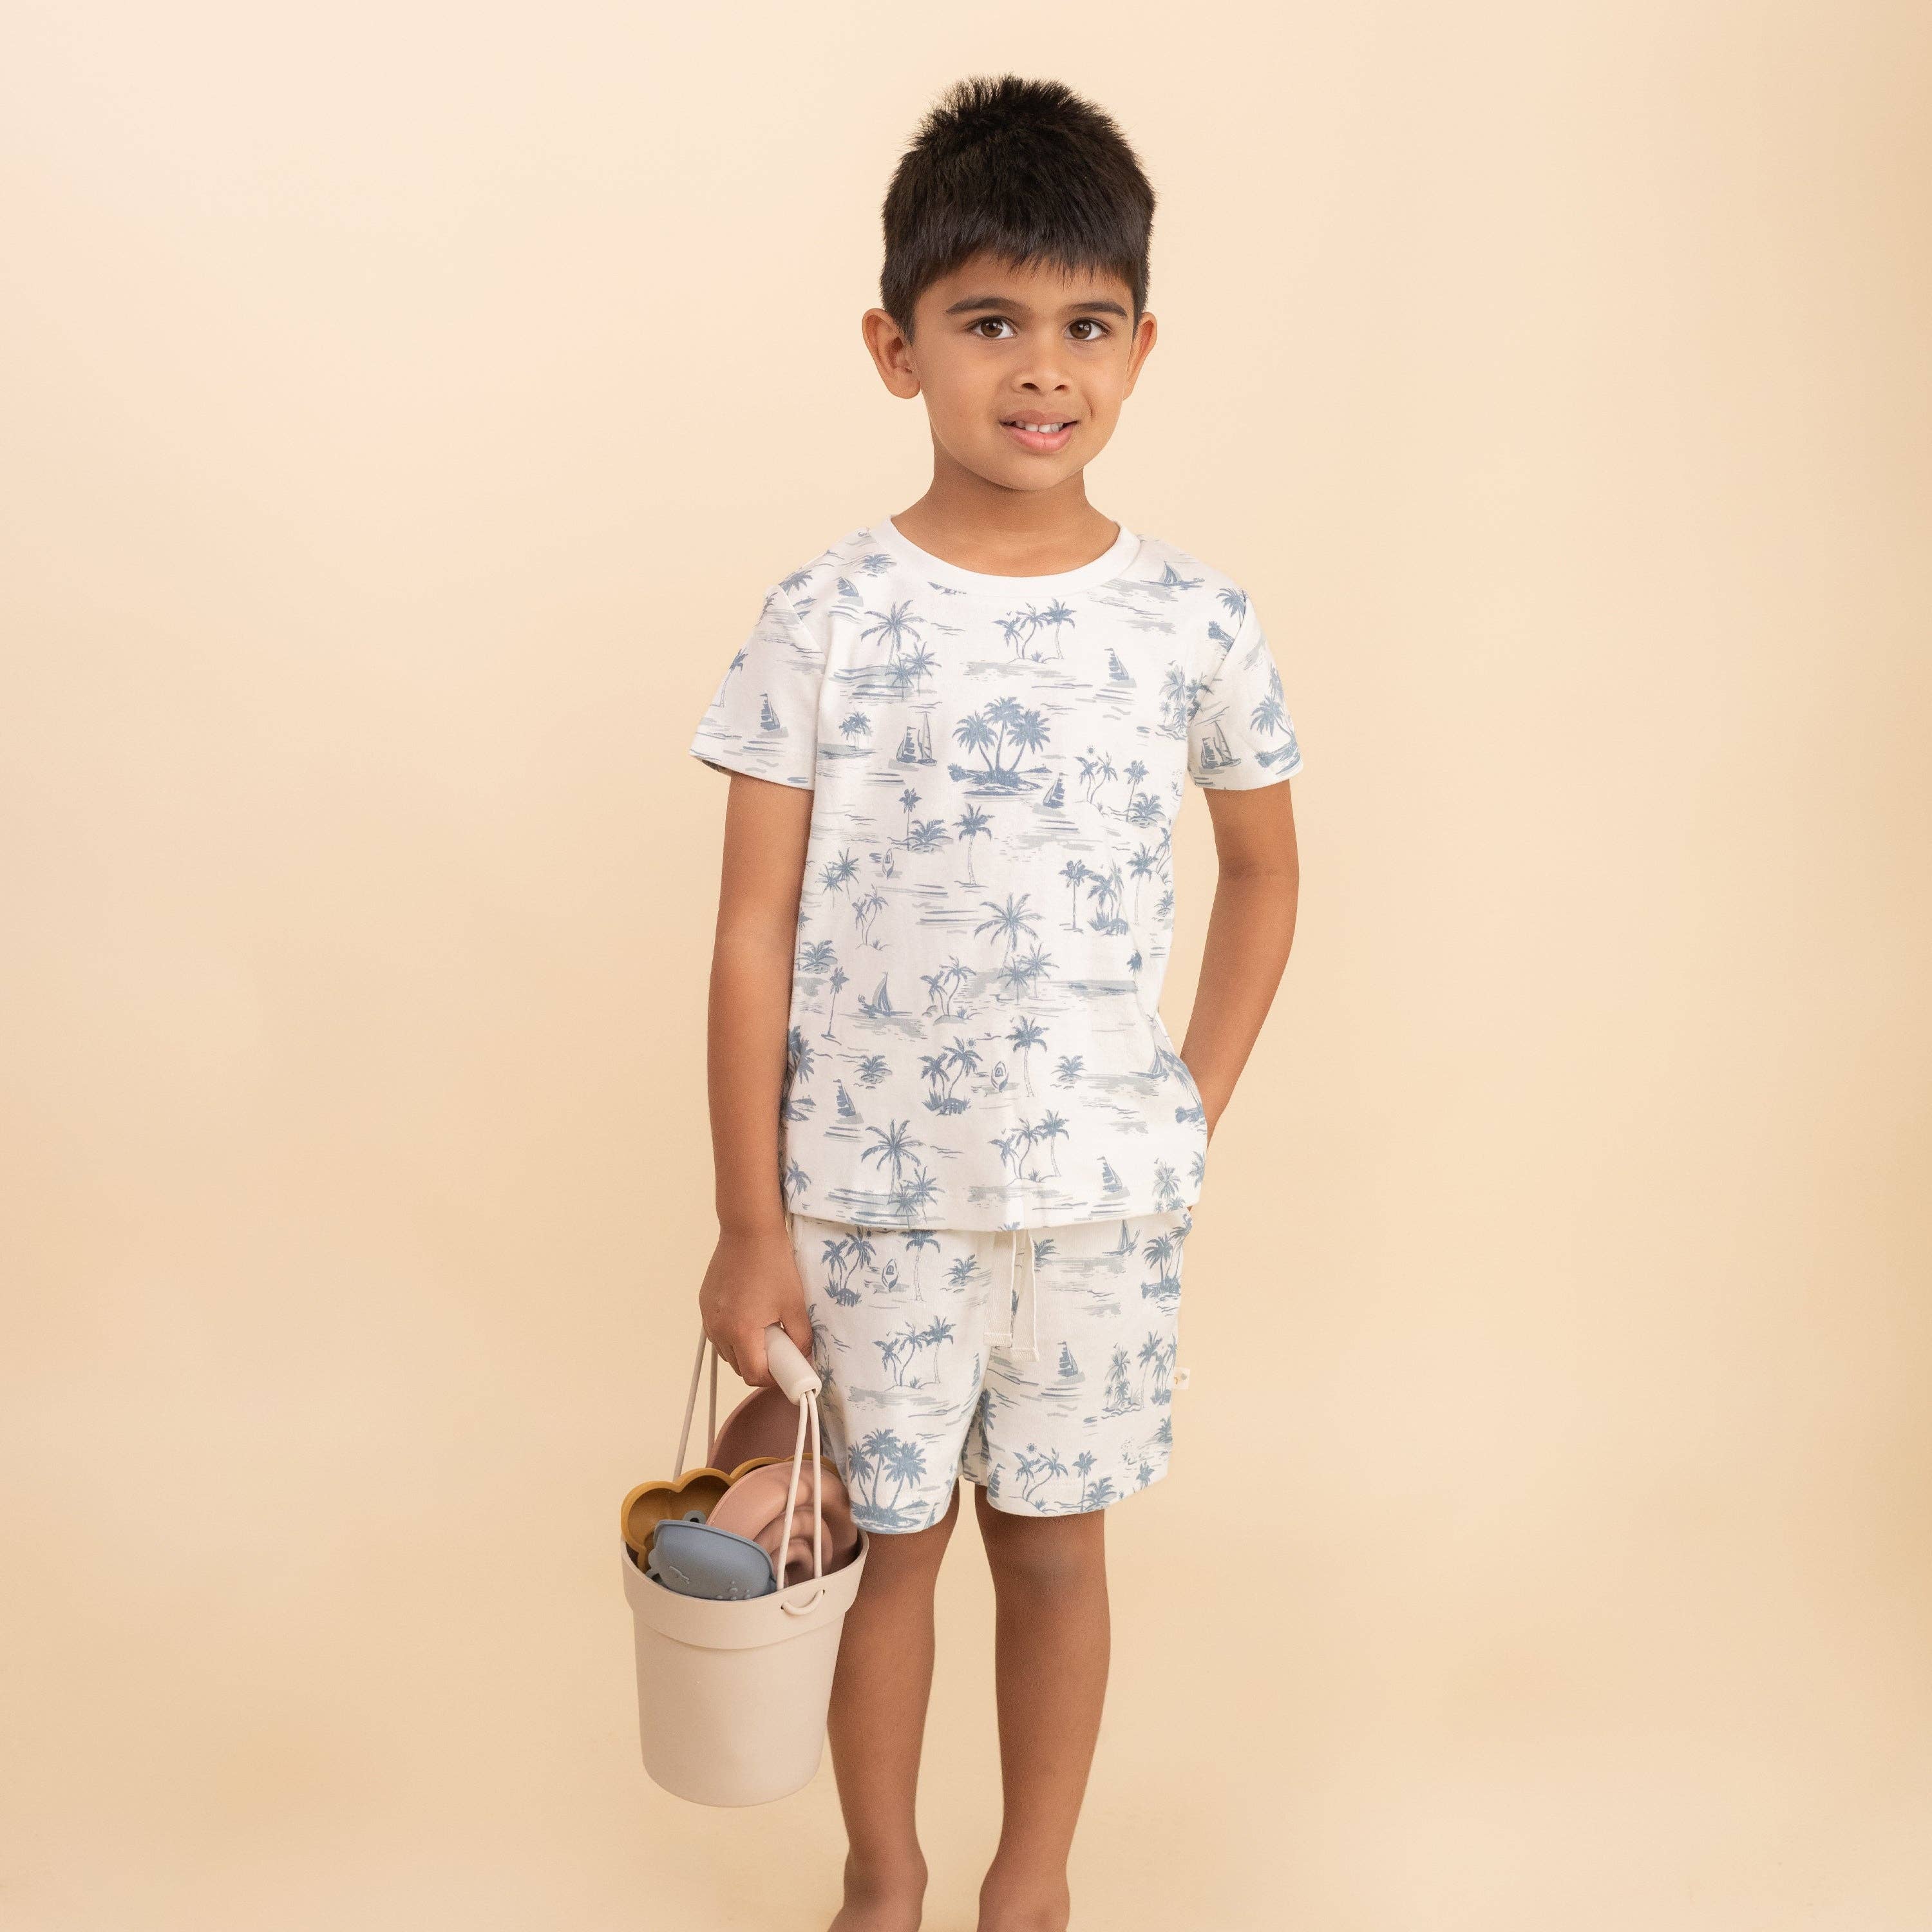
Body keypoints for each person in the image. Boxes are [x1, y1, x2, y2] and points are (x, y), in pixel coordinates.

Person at [687, 73, 1303, 1932]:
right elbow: (750, 930)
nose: (1043, 369)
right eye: (989, 323)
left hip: (1099, 1209)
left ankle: (1031, 1891)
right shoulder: (825, 615)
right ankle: (881, 1882)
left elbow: (1266, 874)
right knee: (883, 1551)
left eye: (1088, 326)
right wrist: (749, 1224)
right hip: (869, 1202)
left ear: (1142, 349)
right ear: (898, 348)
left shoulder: (1196, 619)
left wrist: (1186, 1106)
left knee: (1053, 1550)